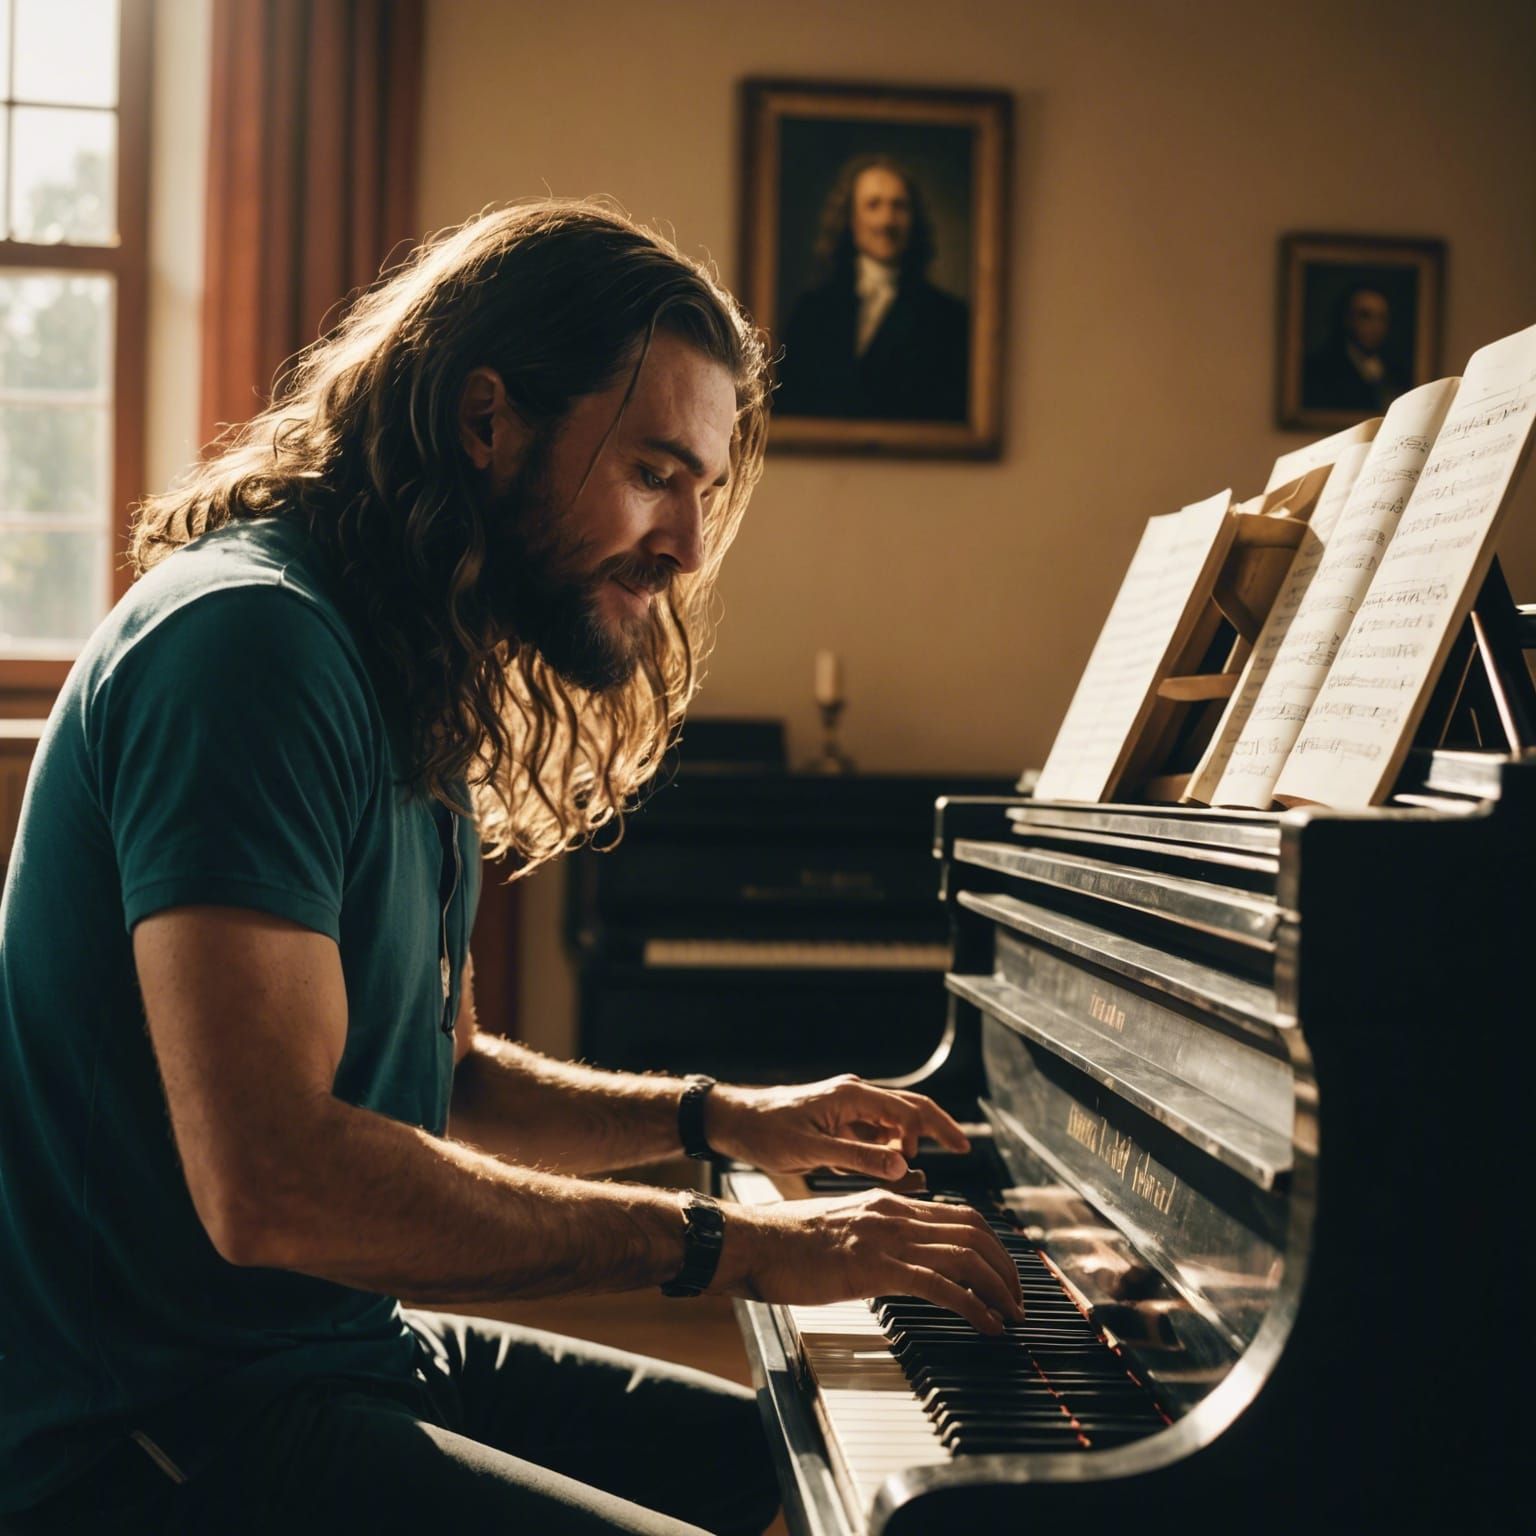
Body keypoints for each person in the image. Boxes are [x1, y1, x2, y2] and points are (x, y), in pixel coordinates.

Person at [0, 202, 1024, 1535]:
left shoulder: (400, 658)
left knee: (804, 1469)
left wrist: (722, 1118)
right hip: (148, 1432)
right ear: (486, 421)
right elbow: (278, 1183)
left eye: (703, 490)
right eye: (653, 471)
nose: (687, 545)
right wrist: (741, 1245)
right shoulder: (251, 647)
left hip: (332, 1352)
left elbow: (453, 1082)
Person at [775, 156, 969, 422]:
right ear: (851, 219)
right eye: (873, 205)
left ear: (914, 220)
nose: (887, 221)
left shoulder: (948, 318)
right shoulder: (812, 312)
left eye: (899, 206)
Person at [1302, 282, 1409, 414]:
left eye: (1381, 318)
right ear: (1347, 319)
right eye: (1365, 316)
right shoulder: (1320, 369)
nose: (1375, 326)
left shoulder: (1396, 370)